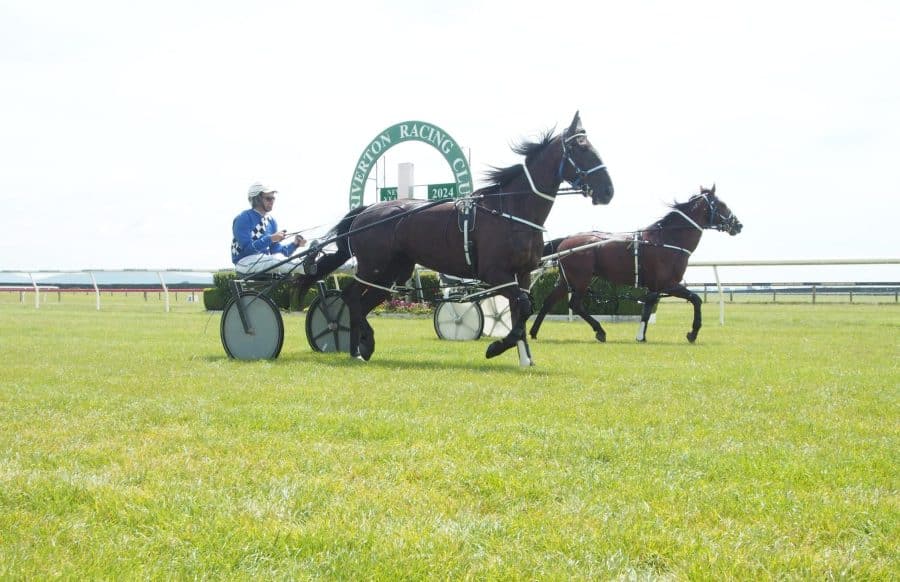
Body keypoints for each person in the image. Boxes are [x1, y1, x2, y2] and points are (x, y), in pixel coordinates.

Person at [231, 182, 314, 276]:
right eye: (268, 198)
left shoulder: (271, 221)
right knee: (272, 260)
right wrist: (270, 238)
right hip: (244, 262)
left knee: (277, 258)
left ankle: (307, 263)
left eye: (273, 198)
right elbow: (247, 249)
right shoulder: (243, 218)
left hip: (264, 261)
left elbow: (277, 252)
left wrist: (295, 244)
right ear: (257, 199)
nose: (272, 201)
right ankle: (304, 266)